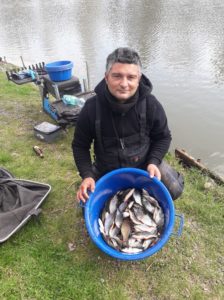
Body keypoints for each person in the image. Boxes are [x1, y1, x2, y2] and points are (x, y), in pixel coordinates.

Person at [72, 47, 184, 203]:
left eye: (131, 77)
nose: (124, 84)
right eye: (117, 76)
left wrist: (154, 161)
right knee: (85, 202)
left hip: (144, 165)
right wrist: (87, 175)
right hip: (107, 169)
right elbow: (79, 146)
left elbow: (163, 137)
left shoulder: (151, 104)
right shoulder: (91, 108)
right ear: (106, 77)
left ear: (138, 79)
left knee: (174, 189)